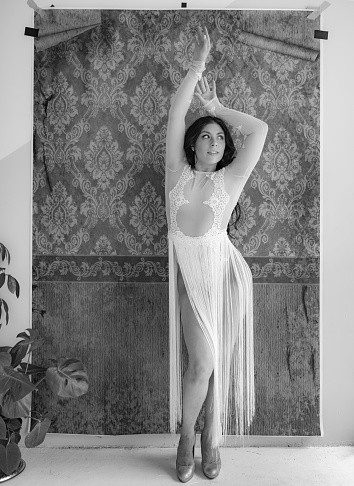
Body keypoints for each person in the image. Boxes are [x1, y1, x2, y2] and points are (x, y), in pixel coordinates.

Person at [165, 26, 268, 482]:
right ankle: (187, 435)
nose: (214, 141)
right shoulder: (175, 174)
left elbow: (259, 129)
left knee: (214, 368)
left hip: (226, 279)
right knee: (200, 366)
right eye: (206, 135)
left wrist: (218, 109)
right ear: (192, 144)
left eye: (221, 139)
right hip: (192, 284)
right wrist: (198, 65)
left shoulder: (230, 182)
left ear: (227, 152)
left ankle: (209, 438)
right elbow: (175, 111)